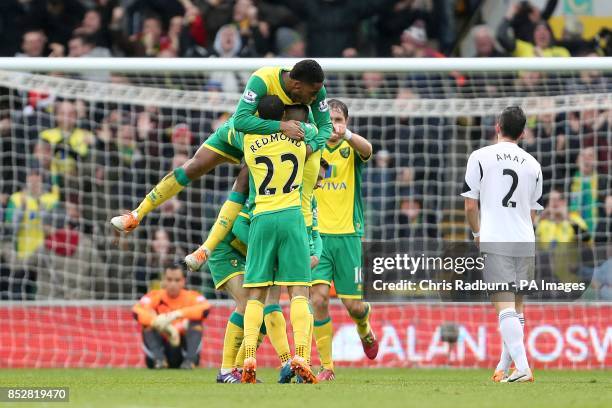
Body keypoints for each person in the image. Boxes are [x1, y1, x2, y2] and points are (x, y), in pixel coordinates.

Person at [110, 59, 332, 236]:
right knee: (193, 167)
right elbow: (240, 121)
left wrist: (310, 148)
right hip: (236, 135)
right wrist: (281, 126)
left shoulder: (316, 90)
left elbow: (325, 127)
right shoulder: (262, 79)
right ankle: (137, 214)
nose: (315, 98)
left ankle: (207, 250)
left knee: (245, 186)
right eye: (311, 94)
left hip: (266, 149)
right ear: (296, 85)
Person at [461, 106, 543, 383]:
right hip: (524, 239)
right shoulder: (533, 165)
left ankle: (522, 367)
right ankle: (503, 366)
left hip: (496, 238)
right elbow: (533, 211)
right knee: (517, 309)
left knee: (503, 307)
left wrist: (477, 234)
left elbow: (471, 206)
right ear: (523, 133)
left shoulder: (480, 156)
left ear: (497, 126)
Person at [311, 99, 377, 382]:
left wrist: (346, 135)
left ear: (346, 122)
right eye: (331, 120)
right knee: (319, 298)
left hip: (349, 236)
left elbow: (369, 150)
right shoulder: (312, 148)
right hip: (317, 237)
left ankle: (365, 327)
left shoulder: (351, 148)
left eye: (339, 120)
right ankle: (327, 366)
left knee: (354, 306)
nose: (335, 125)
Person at [132, 263, 211, 369]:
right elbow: (137, 311)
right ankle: (159, 360)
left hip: (182, 349)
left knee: (195, 323)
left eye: (177, 280)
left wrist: (178, 315)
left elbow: (205, 308)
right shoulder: (154, 296)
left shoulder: (191, 296)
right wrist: (155, 321)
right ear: (164, 281)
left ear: (183, 281)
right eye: (169, 280)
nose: (173, 284)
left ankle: (189, 361)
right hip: (161, 346)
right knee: (147, 325)